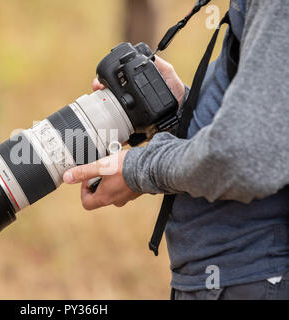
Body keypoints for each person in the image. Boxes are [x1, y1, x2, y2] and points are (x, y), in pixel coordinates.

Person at [63, 0, 289, 300]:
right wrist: (182, 112)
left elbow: (241, 157)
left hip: (255, 278)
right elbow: (267, 118)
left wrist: (138, 169)